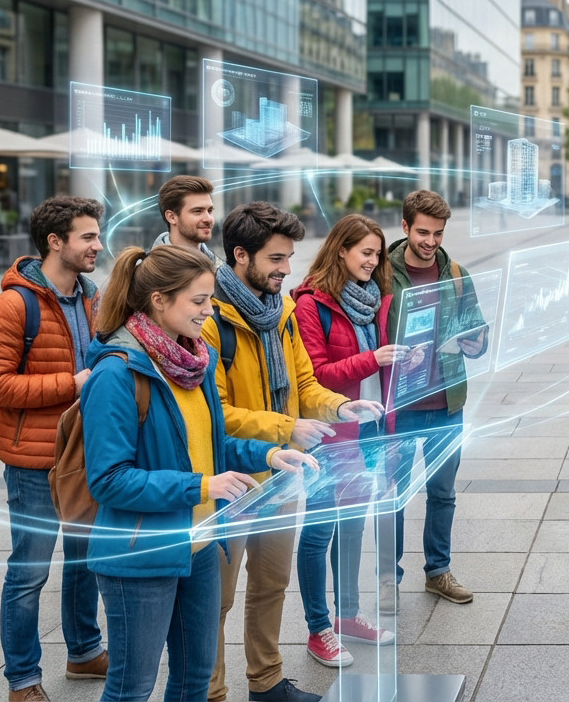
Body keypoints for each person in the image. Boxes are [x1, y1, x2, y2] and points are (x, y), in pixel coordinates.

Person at [82, 245, 316, 701]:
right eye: (199, 301)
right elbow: (108, 479)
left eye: (209, 299)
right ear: (159, 301)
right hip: (141, 554)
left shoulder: (195, 360)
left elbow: (210, 446)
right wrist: (203, 486)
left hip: (203, 545)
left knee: (194, 679)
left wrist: (269, 455)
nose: (208, 311)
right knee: (132, 686)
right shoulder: (117, 371)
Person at [203, 202, 382, 702]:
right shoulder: (211, 319)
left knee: (271, 584)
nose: (286, 270)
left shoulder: (280, 312)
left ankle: (265, 681)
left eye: (289, 258)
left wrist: (341, 407)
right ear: (241, 255)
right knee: (216, 599)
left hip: (283, 475)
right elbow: (216, 413)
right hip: (232, 481)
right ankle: (211, 691)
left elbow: (304, 382)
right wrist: (288, 427)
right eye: (276, 259)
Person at [0, 197, 107, 702]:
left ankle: (82, 652)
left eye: (97, 236)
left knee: (84, 562)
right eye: (87, 237)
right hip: (33, 459)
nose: (97, 245)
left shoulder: (91, 296)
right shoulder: (13, 305)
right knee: (29, 571)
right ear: (55, 242)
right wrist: (74, 384)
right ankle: (22, 679)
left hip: (85, 453)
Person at [291, 215, 409, 667]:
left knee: (354, 528)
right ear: (340, 250)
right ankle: (318, 628)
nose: (373, 261)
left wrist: (399, 360)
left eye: (378, 254)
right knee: (319, 533)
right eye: (365, 252)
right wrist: (370, 359)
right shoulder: (310, 305)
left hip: (370, 431)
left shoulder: (374, 298)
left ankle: (348, 617)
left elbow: (377, 366)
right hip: (331, 435)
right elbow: (315, 376)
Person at [385, 190, 487, 609]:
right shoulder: (380, 275)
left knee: (443, 494)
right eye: (423, 232)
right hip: (400, 406)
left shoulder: (457, 274)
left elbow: (477, 335)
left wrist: (471, 341)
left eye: (438, 234)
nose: (430, 242)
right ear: (405, 226)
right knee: (393, 496)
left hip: (446, 403)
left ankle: (438, 572)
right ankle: (387, 579)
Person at [152, 174, 219, 263]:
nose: (208, 219)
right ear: (171, 217)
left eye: (210, 211)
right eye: (197, 211)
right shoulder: (146, 273)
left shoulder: (220, 271)